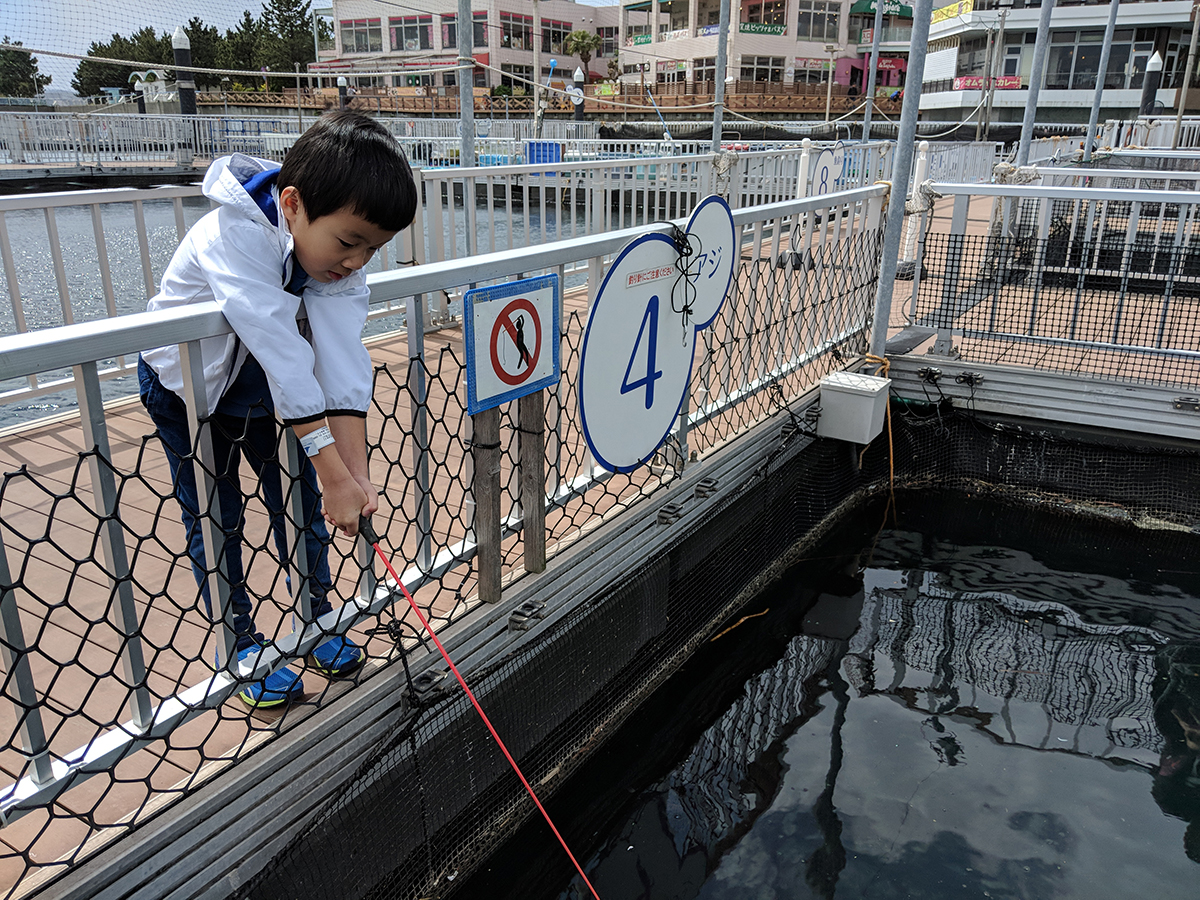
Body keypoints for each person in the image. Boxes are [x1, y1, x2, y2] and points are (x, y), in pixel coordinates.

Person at [138, 111, 417, 708]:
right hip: (186, 390)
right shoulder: (233, 233)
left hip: (264, 394)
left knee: (300, 506)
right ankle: (239, 646)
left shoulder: (336, 255)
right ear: (292, 204)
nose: (357, 262)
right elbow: (284, 349)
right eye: (349, 242)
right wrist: (333, 469)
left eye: (374, 248)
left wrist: (354, 476)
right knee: (217, 519)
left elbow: (341, 364)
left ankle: (318, 620)